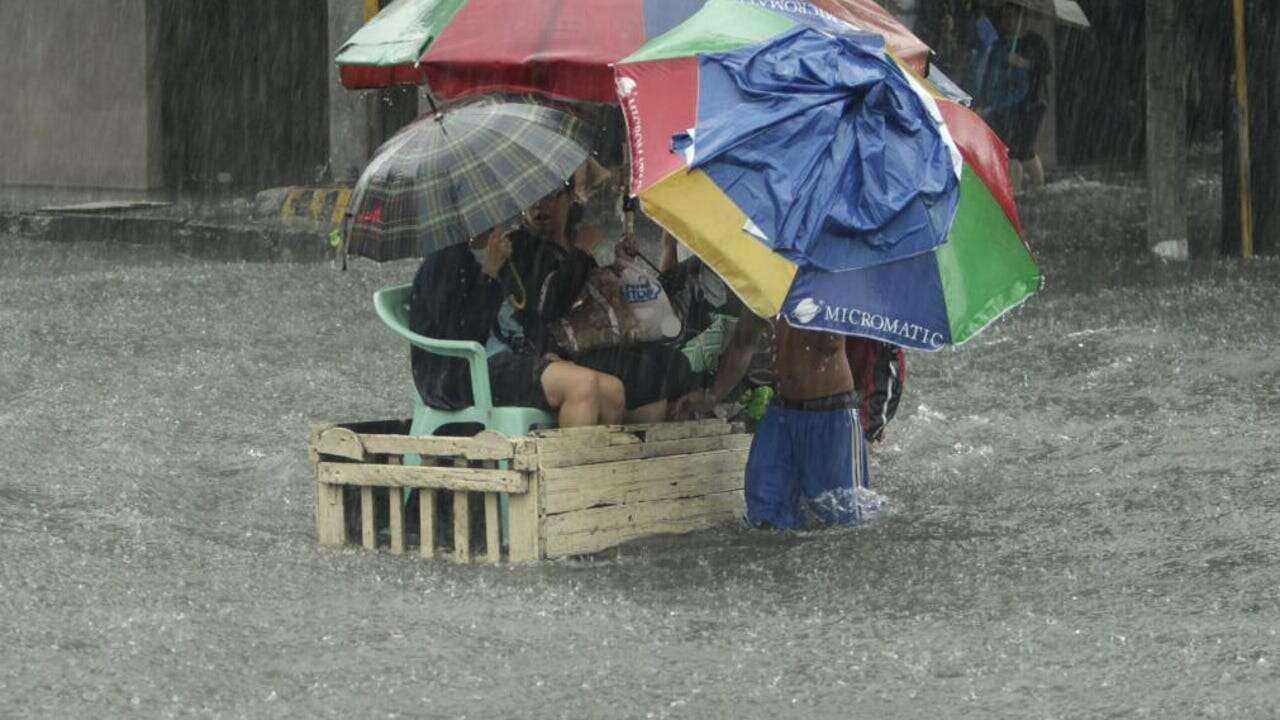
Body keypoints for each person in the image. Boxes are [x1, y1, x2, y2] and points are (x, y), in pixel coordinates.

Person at [408, 222, 625, 428]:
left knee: (612, 391)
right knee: (582, 385)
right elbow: (460, 332)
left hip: (512, 358)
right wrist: (490, 273)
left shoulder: (502, 255)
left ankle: (588, 464)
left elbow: (526, 316)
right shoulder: (443, 263)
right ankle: (563, 465)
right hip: (461, 371)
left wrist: (546, 350)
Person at [979, 4, 1052, 193]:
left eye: (1012, 16)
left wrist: (1023, 63)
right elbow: (990, 75)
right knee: (1011, 149)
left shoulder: (1035, 42)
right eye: (1005, 17)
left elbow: (1045, 67)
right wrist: (985, 101)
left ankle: (1029, 190)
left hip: (1032, 103)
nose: (1008, 22)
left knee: (1022, 150)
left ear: (1021, 18)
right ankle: (1020, 191)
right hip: (1006, 105)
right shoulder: (999, 45)